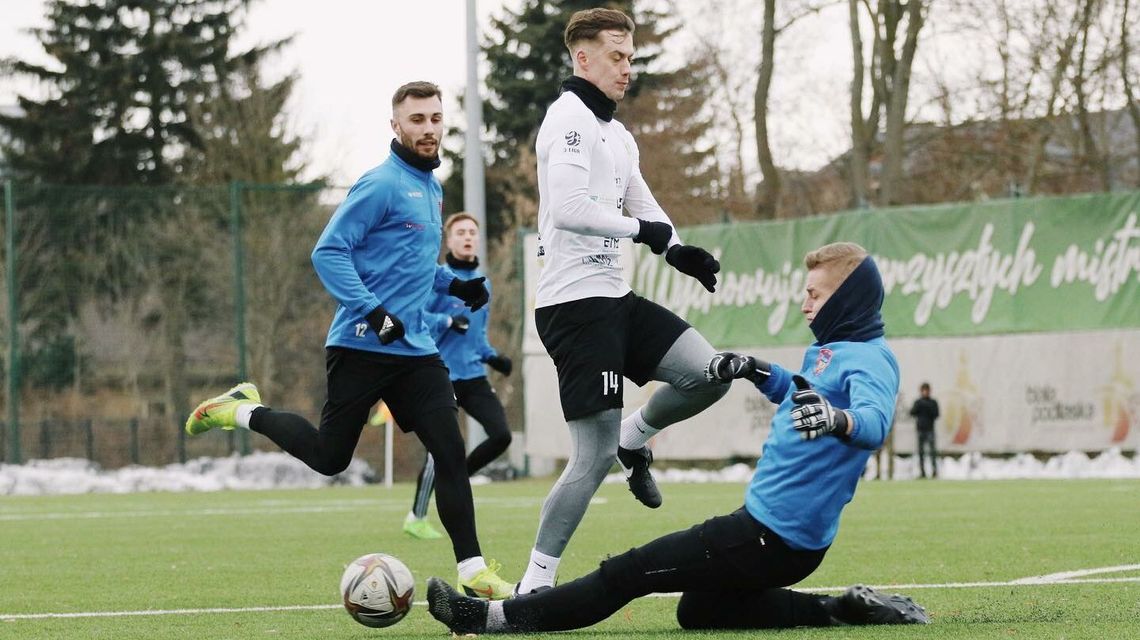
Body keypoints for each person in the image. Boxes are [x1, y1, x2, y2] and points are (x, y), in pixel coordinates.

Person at [424, 242, 930, 633]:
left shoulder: (870, 359)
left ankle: (491, 619)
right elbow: (801, 392)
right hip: (777, 536)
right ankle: (840, 609)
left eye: (814, 295)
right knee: (701, 610)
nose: (804, 305)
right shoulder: (835, 349)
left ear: (846, 298)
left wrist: (837, 419)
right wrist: (755, 369)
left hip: (768, 537)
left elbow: (872, 423)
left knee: (625, 573)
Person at [184, 81, 514, 600]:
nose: (428, 128)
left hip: (417, 353)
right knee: (330, 457)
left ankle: (473, 571)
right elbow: (329, 252)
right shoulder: (380, 184)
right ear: (396, 126)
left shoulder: (431, 188)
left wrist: (456, 284)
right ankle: (243, 410)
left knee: (450, 453)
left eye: (434, 118)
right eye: (417, 120)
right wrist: (374, 312)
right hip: (361, 343)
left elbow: (412, 266)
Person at [516, 7, 729, 595]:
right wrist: (646, 235)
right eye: (616, 55)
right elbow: (569, 210)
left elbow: (646, 205)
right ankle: (534, 584)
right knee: (590, 456)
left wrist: (680, 249)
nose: (626, 67)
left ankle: (637, 439)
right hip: (574, 307)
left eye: (631, 56)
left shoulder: (618, 133)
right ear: (581, 57)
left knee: (708, 374)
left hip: (615, 297)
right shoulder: (569, 120)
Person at [403, 212, 515, 540]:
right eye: (460, 232)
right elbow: (416, 314)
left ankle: (458, 477)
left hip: (474, 376)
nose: (467, 237)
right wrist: (446, 323)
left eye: (472, 232)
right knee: (439, 450)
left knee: (501, 435)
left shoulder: (483, 283)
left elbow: (476, 335)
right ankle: (416, 517)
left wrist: (493, 357)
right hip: (441, 375)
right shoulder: (439, 278)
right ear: (449, 240)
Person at [909, 382, 940, 478]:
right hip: (920, 430)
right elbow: (912, 412)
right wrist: (920, 406)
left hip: (930, 430)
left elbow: (936, 414)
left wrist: (927, 407)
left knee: (932, 453)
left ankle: (934, 472)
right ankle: (923, 473)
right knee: (921, 453)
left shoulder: (933, 402)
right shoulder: (918, 402)